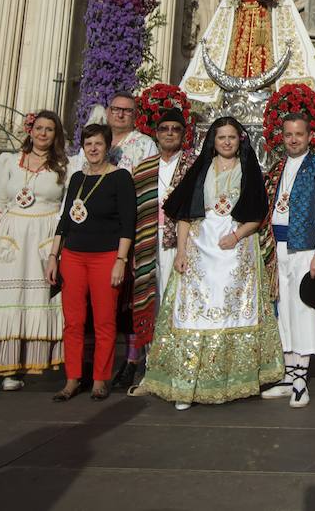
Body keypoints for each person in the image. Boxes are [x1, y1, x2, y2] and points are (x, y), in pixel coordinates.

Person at [135, 117, 282, 409]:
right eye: (221, 137)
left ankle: (234, 380)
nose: (226, 142)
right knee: (192, 312)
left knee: (234, 311)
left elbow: (257, 213)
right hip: (200, 248)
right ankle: (187, 384)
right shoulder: (200, 170)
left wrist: (237, 234)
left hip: (237, 248)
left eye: (231, 137)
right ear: (212, 141)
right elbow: (185, 215)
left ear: (240, 139)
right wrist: (179, 252)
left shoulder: (248, 170)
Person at [0, 111, 69, 391]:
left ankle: (15, 368)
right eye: (39, 128)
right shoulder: (8, 161)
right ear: (30, 131)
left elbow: (65, 210)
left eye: (49, 130)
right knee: (1, 298)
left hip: (43, 235)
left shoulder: (64, 166)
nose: (43, 134)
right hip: (11, 235)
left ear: (56, 135)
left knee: (32, 299)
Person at [68, 92, 158, 390]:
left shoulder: (143, 144)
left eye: (127, 111)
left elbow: (148, 186)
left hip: (127, 229)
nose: (121, 115)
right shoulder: (93, 143)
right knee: (91, 305)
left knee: (128, 300)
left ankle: (131, 361)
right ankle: (88, 362)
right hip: (89, 234)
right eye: (116, 109)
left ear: (135, 115)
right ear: (107, 112)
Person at [46, 123, 136, 402]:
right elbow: (66, 219)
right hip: (73, 255)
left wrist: (121, 259)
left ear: (107, 146)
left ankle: (100, 379)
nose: (93, 149)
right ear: (83, 148)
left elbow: (127, 223)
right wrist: (54, 255)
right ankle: (72, 378)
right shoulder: (77, 179)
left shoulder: (120, 178)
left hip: (106, 256)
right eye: (88, 145)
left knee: (104, 320)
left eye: (98, 144)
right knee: (73, 322)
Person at [260, 112, 315, 408]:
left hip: (306, 250)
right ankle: (285, 375)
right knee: (283, 310)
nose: (293, 140)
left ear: (309, 137)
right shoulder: (278, 167)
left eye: (299, 135)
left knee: (303, 311)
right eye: (289, 134)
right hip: (278, 248)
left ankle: (300, 381)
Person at [126, 107, 196, 388]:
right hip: (148, 242)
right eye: (164, 128)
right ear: (156, 134)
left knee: (179, 301)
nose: (169, 133)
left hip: (183, 244)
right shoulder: (143, 169)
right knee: (151, 303)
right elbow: (133, 211)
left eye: (175, 129)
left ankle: (180, 367)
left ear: (183, 134)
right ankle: (152, 367)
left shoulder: (193, 165)